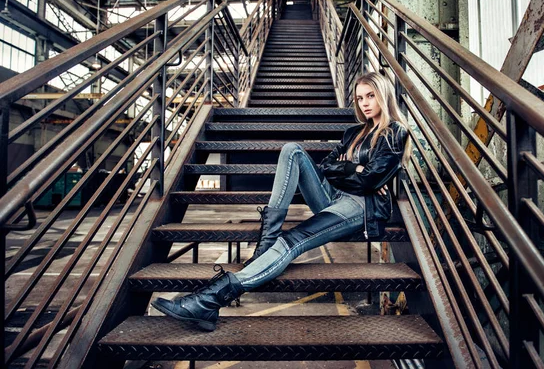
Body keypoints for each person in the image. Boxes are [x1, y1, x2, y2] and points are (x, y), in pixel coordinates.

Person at [151, 72, 411, 331]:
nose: (365, 103)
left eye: (371, 96)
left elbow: (368, 183)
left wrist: (352, 171)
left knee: (292, 240)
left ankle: (209, 300)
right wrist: (356, 170)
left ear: (383, 95)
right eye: (360, 98)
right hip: (334, 196)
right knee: (291, 150)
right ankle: (268, 237)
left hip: (358, 206)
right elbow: (327, 166)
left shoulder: (394, 132)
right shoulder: (353, 133)